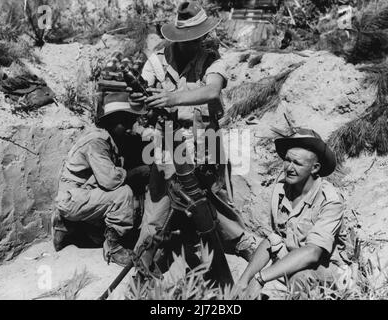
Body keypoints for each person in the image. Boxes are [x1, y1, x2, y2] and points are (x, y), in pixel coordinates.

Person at [130, 1, 257, 270]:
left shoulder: (212, 60)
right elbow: (139, 105)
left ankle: (240, 243)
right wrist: (139, 100)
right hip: (168, 146)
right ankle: (144, 258)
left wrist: (172, 98)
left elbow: (211, 91)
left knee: (215, 199)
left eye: (197, 38)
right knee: (157, 205)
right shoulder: (157, 61)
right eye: (188, 39)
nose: (193, 44)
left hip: (205, 145)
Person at [237, 128, 349, 296]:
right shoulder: (282, 189)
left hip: (331, 271)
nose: (289, 167)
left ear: (314, 168)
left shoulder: (330, 200)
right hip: (295, 262)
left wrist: (261, 278)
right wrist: (243, 281)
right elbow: (274, 240)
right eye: (287, 160)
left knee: (300, 278)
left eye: (297, 163)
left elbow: (313, 252)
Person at [53, 92, 149, 267]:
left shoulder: (109, 138)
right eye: (125, 122)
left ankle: (70, 227)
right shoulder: (97, 142)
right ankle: (113, 248)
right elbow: (110, 181)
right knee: (123, 193)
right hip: (72, 200)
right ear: (111, 121)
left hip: (81, 195)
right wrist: (138, 172)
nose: (130, 127)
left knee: (99, 235)